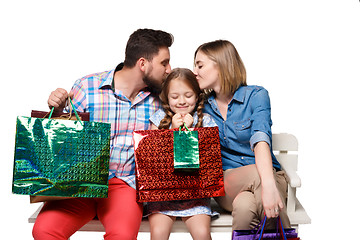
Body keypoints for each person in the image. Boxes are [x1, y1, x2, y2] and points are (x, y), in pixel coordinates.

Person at [32, 28, 173, 240]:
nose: (169, 69)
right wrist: (58, 109)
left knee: (123, 236)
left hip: (124, 185)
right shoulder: (87, 87)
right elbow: (61, 140)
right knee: (44, 231)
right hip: (81, 183)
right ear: (143, 64)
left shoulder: (161, 98)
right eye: (164, 63)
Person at [193, 40, 291, 230]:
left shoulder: (256, 95)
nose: (194, 71)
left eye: (200, 65)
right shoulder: (200, 105)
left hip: (270, 179)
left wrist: (269, 185)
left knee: (245, 208)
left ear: (221, 64)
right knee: (258, 175)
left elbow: (261, 139)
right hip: (228, 182)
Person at [146, 68, 218, 240]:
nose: (182, 101)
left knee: (202, 234)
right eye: (175, 96)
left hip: (196, 196)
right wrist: (173, 131)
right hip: (163, 196)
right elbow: (153, 157)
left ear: (197, 95)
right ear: (166, 97)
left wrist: (190, 132)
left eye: (188, 95)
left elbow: (210, 159)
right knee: (158, 233)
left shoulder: (206, 121)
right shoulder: (159, 119)